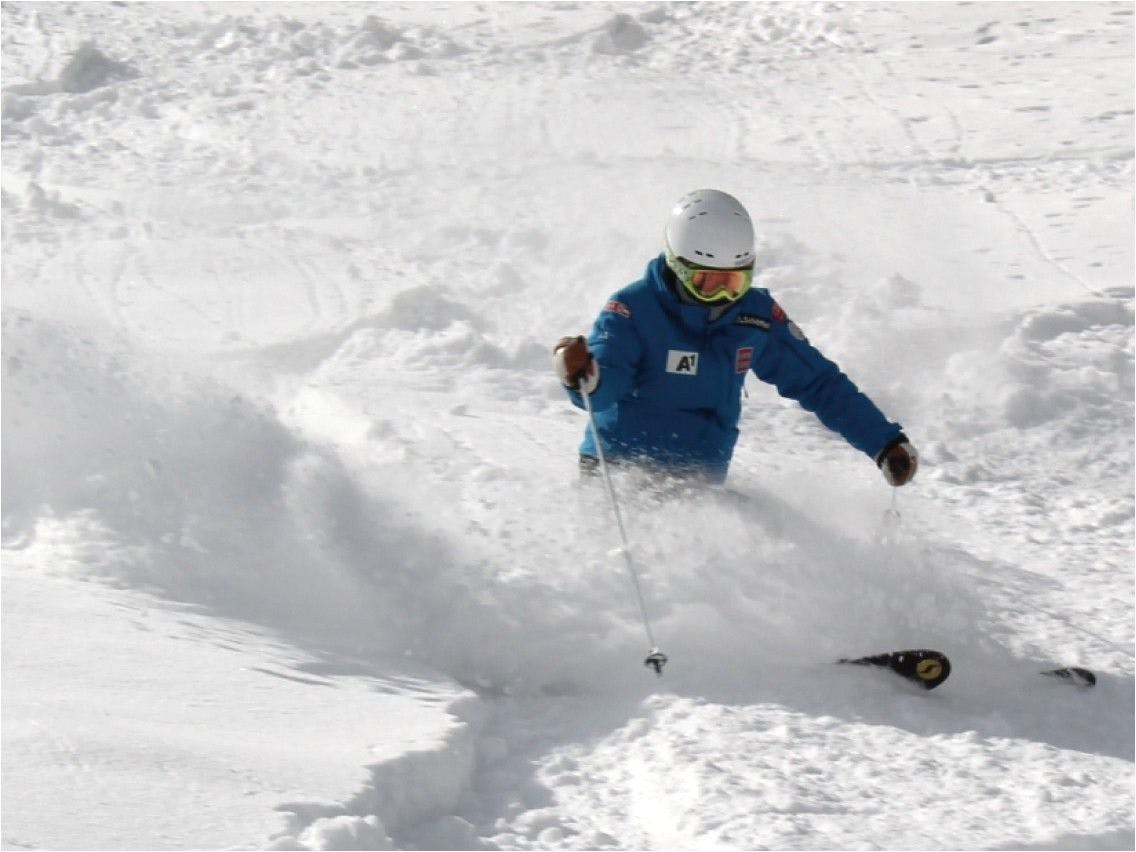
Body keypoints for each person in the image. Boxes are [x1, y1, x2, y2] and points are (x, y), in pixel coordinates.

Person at [552, 188, 918, 487]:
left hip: (699, 479)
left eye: (734, 282)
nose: (723, 297)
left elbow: (818, 382)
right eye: (707, 284)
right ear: (679, 266)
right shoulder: (633, 310)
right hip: (621, 472)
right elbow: (602, 384)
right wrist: (582, 374)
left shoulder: (753, 316)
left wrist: (883, 442)